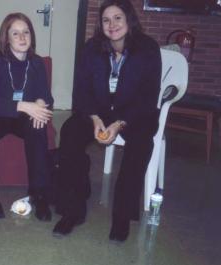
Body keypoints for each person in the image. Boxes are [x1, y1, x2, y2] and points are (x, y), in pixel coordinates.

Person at [52, 0, 161, 242]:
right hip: (98, 111)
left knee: (142, 143)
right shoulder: (92, 48)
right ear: (100, 25)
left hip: (135, 114)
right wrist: (94, 117)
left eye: (117, 18)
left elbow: (148, 97)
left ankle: (122, 217)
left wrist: (120, 123)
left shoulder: (148, 48)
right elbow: (80, 91)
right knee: (70, 132)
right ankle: (72, 210)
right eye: (106, 20)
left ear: (129, 19)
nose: (112, 25)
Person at [0, 13, 54, 221]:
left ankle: (39, 192)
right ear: (6, 38)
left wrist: (41, 106)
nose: (22, 37)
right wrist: (26, 105)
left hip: (20, 118)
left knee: (38, 124)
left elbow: (45, 95)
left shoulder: (36, 63)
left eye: (26, 32)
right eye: (15, 33)